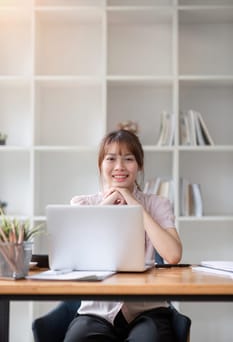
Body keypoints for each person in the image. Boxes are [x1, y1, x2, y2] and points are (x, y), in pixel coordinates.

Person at [64, 129, 182, 342]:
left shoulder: (158, 204)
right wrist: (109, 201)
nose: (119, 167)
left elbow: (173, 255)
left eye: (128, 159)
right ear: (101, 165)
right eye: (111, 159)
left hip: (148, 310)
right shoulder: (82, 204)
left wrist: (133, 202)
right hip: (97, 311)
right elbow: (74, 255)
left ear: (139, 166)